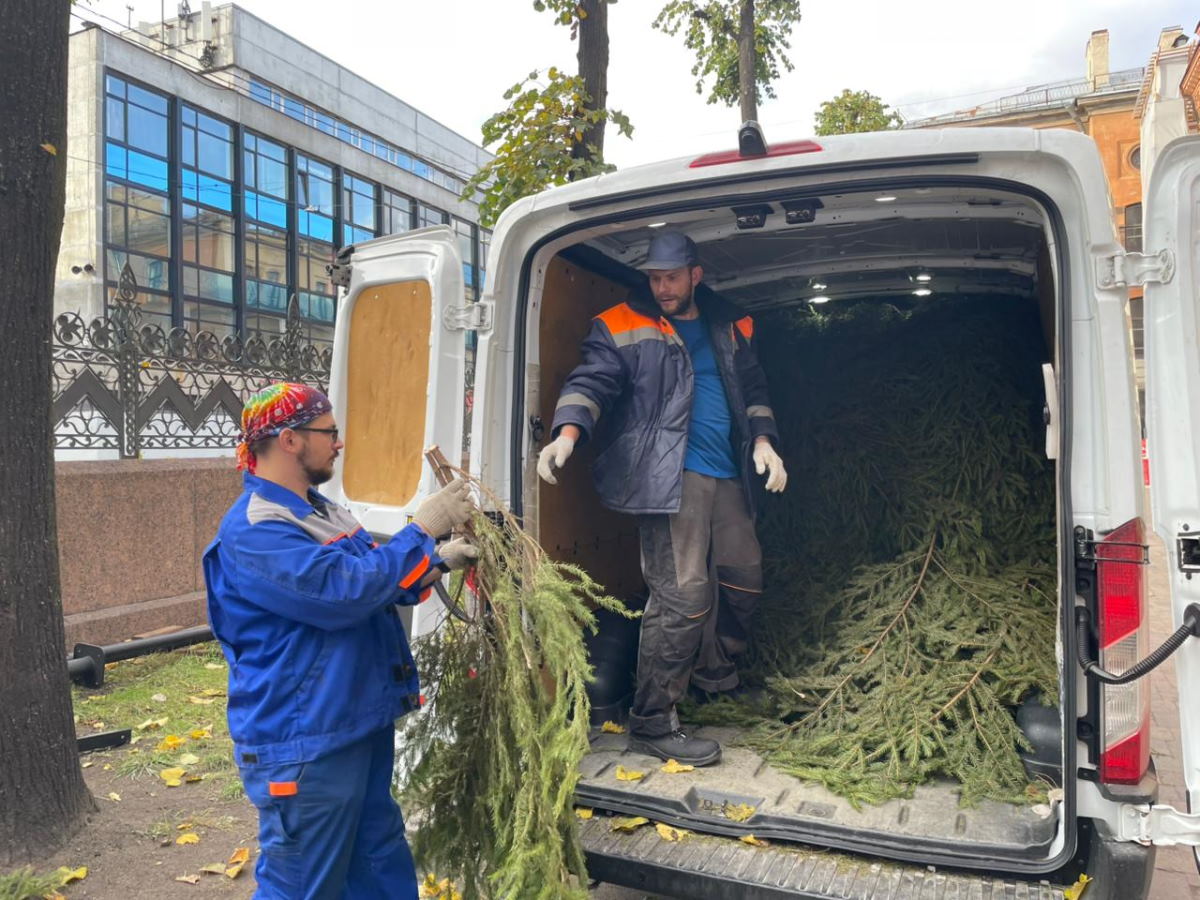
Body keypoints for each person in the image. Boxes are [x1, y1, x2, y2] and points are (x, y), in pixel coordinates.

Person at [203, 382, 477, 899]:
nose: (339, 443)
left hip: (351, 723)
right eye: (329, 433)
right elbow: (342, 593)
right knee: (304, 884)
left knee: (377, 867)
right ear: (288, 440)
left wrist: (437, 560)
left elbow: (371, 578)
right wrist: (422, 530)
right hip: (303, 741)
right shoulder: (256, 529)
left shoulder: (320, 510)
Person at [538, 230, 787, 767]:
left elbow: (756, 389)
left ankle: (715, 679)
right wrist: (567, 434)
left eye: (671, 276)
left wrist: (765, 444)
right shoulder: (623, 323)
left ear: (696, 275)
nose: (662, 286)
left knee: (744, 579)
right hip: (669, 478)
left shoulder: (731, 323)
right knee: (682, 598)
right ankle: (652, 721)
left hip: (728, 474)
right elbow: (592, 381)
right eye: (654, 276)